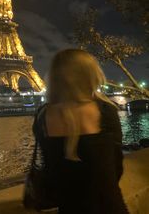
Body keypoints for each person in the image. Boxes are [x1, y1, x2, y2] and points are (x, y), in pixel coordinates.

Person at [32, 49, 129, 214]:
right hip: (108, 207)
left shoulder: (42, 116)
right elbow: (116, 168)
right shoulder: (105, 111)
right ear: (90, 74)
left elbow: (49, 165)